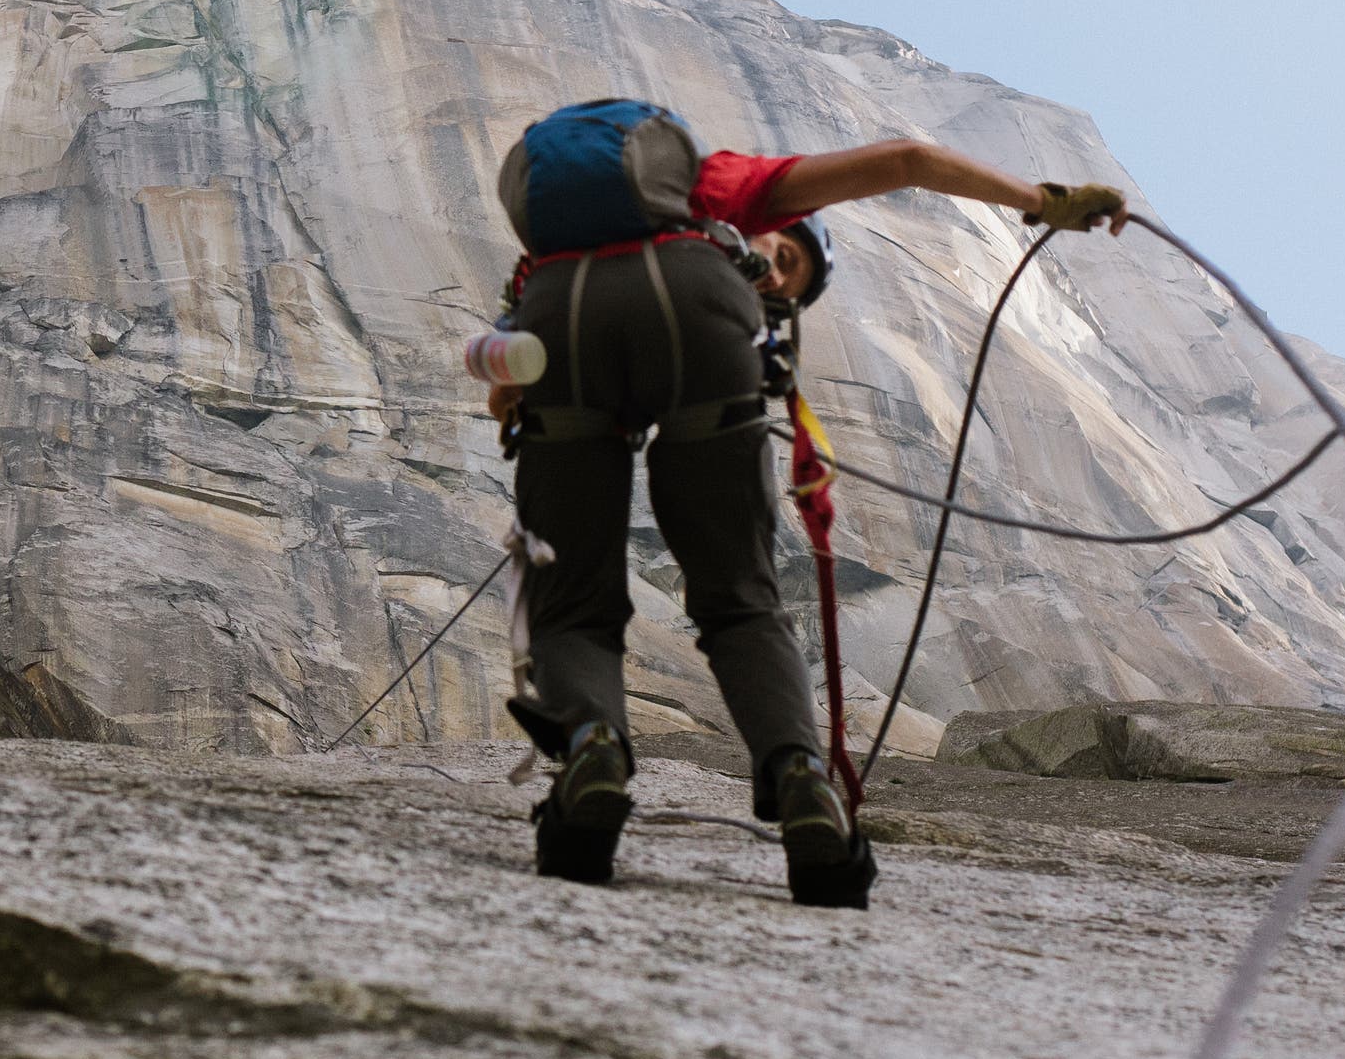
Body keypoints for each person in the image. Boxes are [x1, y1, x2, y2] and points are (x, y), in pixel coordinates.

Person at [483, 121, 1129, 908]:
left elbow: (503, 384)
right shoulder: (735, 191)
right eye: (786, 264)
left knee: (571, 601)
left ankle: (590, 753)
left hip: (558, 314)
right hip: (697, 310)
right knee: (742, 599)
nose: (779, 284)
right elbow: (907, 161)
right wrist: (1041, 201)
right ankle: (802, 785)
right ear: (767, 234)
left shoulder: (665, 193)